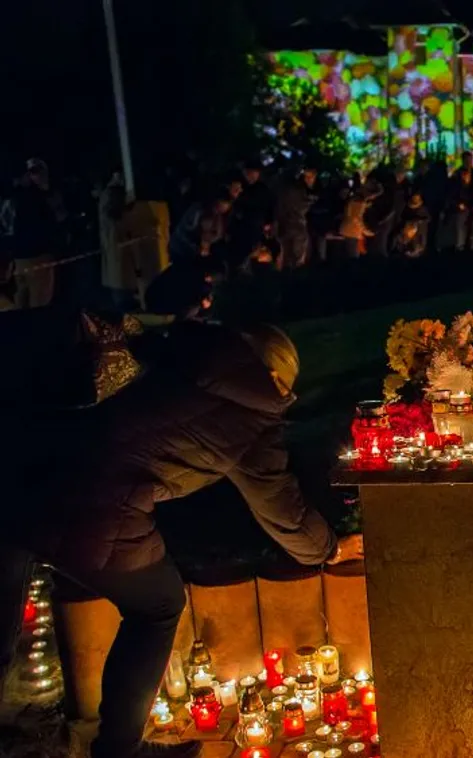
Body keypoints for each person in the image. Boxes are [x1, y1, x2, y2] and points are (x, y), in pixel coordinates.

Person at [0, 321, 363, 758]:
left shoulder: (179, 355)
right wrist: (329, 549)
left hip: (25, 469)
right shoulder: (251, 414)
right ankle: (119, 748)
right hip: (97, 500)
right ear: (277, 381)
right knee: (158, 605)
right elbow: (281, 507)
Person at [10, 158, 68, 308]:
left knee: (21, 303)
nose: (36, 176)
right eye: (33, 173)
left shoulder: (15, 196)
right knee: (39, 304)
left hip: (19, 258)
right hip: (38, 257)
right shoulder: (41, 197)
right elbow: (59, 219)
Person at [274, 167, 317, 269]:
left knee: (285, 253)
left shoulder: (282, 190)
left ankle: (285, 275)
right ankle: (295, 278)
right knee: (297, 256)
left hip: (283, 225)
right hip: (297, 224)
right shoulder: (300, 190)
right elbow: (304, 205)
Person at [367, 166, 409, 258]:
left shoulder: (388, 187)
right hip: (389, 218)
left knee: (380, 242)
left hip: (385, 218)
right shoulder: (396, 188)